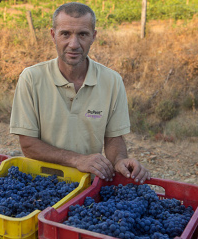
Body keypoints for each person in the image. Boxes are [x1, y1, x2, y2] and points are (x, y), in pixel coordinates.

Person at [10, 2, 150, 183]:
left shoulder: (112, 81)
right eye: (65, 34)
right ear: (53, 35)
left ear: (93, 36)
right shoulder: (31, 78)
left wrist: (120, 160)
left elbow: (113, 138)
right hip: (41, 183)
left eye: (82, 34)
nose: (74, 44)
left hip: (88, 184)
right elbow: (28, 145)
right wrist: (77, 160)